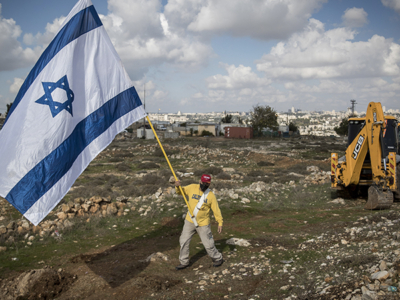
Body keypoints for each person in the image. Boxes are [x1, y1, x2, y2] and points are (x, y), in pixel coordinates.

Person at [175, 174, 223, 270]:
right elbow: (181, 192)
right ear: (200, 181)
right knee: (183, 241)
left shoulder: (210, 195)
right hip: (190, 221)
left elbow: (216, 210)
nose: (204, 185)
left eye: (207, 184)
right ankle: (184, 262)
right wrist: (177, 186)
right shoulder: (192, 187)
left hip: (203, 223)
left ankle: (218, 258)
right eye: (203, 183)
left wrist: (220, 222)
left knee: (208, 244)